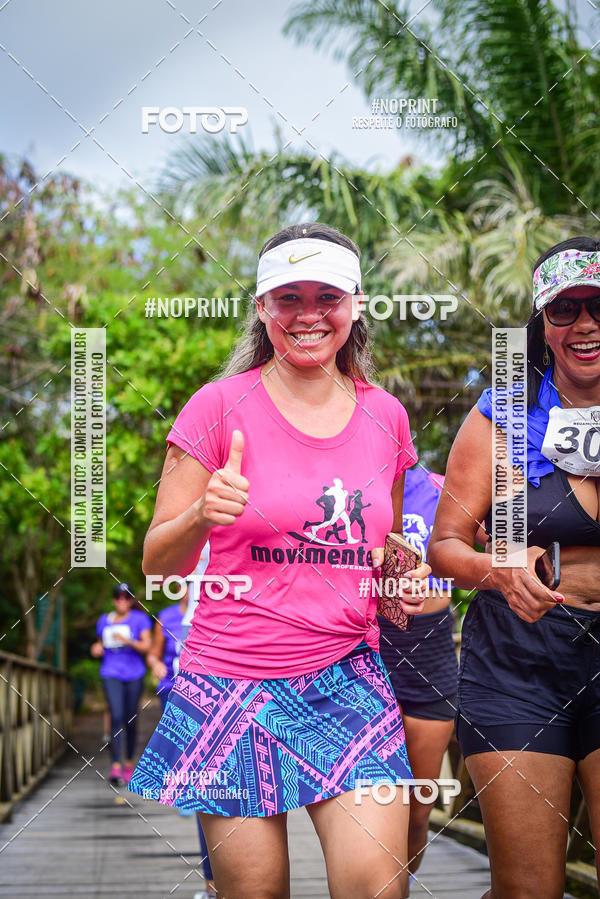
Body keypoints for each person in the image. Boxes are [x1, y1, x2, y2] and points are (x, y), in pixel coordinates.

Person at [128, 221, 432, 899]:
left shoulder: (388, 417)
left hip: (348, 677)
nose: (307, 314)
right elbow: (155, 563)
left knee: (379, 888)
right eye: (287, 296)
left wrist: (389, 579)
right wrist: (201, 513)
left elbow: (376, 537)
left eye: (325, 294)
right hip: (231, 683)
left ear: (355, 303)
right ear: (263, 308)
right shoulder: (216, 408)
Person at [428, 236, 600, 898]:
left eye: (598, 306)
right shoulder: (501, 417)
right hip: (517, 662)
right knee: (528, 888)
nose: (585, 324)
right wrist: (498, 568)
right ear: (543, 325)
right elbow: (445, 544)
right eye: (565, 310)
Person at [377, 467, 458, 876]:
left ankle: (402, 887)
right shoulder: (356, 485)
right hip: (370, 643)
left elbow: (500, 546)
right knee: (372, 811)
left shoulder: (443, 487)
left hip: (431, 646)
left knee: (417, 810)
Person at [90, 583, 152, 785]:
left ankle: (128, 763)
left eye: (126, 597)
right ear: (113, 599)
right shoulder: (104, 620)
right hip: (110, 672)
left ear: (131, 600)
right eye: (118, 597)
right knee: (115, 715)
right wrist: (96, 649)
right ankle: (115, 765)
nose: (122, 600)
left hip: (134, 673)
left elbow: (147, 646)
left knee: (130, 719)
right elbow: (99, 644)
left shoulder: (140, 619)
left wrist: (128, 641)